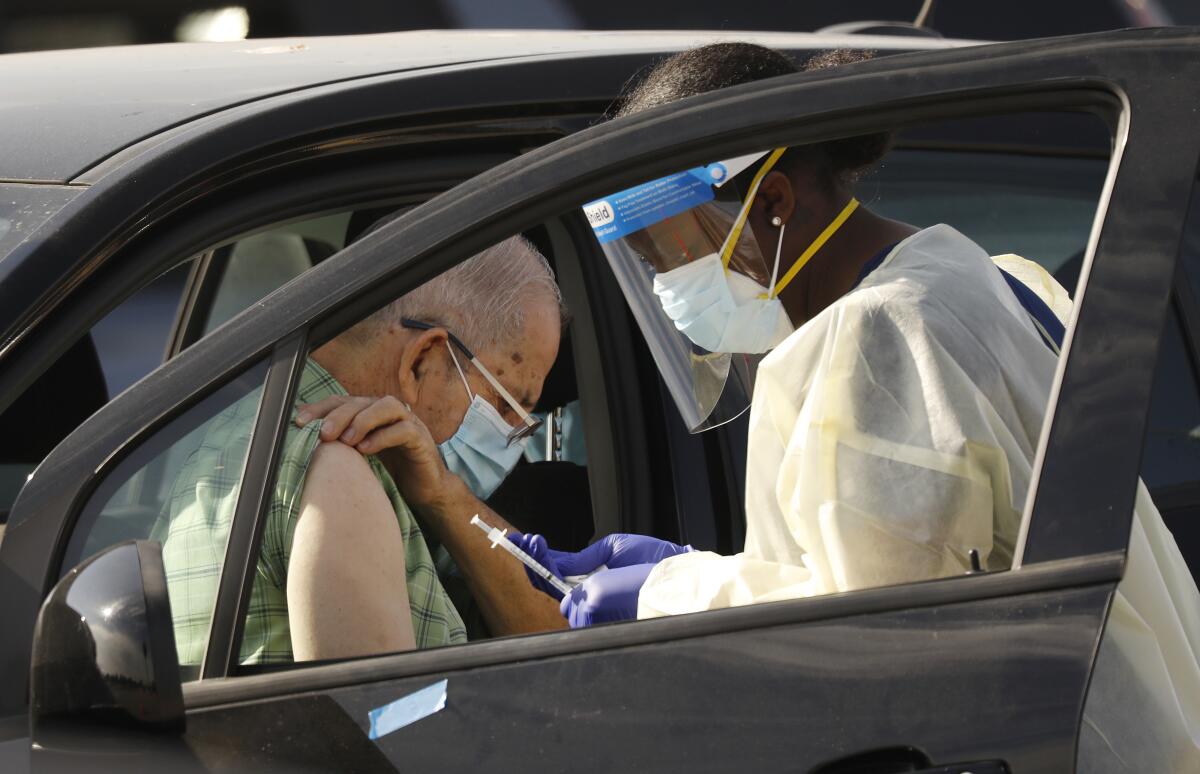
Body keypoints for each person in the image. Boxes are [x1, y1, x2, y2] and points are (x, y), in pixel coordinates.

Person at [505, 43, 1199, 771]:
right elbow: (894, 573)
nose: (668, 293)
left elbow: (861, 643)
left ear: (771, 202)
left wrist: (664, 595)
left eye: (667, 259)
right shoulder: (963, 277)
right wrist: (683, 569)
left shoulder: (882, 337)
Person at [157, 234, 567, 667]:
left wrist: (444, 495)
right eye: (506, 404)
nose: (512, 439)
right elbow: (377, 726)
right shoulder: (336, 471)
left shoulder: (239, 436)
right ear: (421, 360)